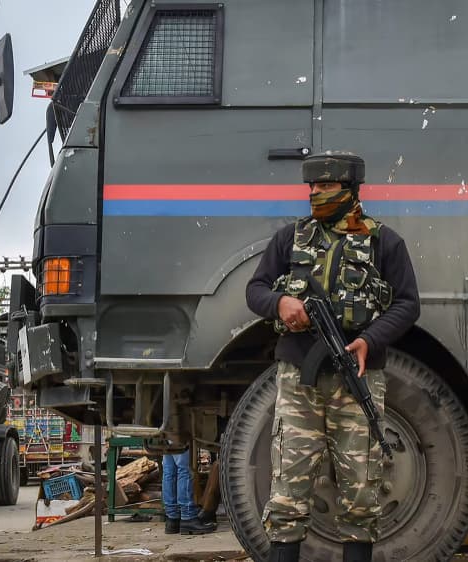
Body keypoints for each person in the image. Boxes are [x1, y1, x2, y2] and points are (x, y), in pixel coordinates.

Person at [246, 151, 420, 562]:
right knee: (288, 486)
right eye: (313, 187)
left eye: (327, 187)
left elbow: (407, 304)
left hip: (356, 376)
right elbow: (256, 289)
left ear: (351, 190)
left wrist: (369, 340)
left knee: (361, 488)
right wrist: (281, 304)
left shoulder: (383, 241)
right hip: (298, 380)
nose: (317, 194)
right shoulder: (290, 238)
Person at [162, 447, 216, 534]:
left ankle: (172, 519)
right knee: (185, 469)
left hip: (164, 436)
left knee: (169, 471)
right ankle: (188, 516)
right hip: (178, 434)